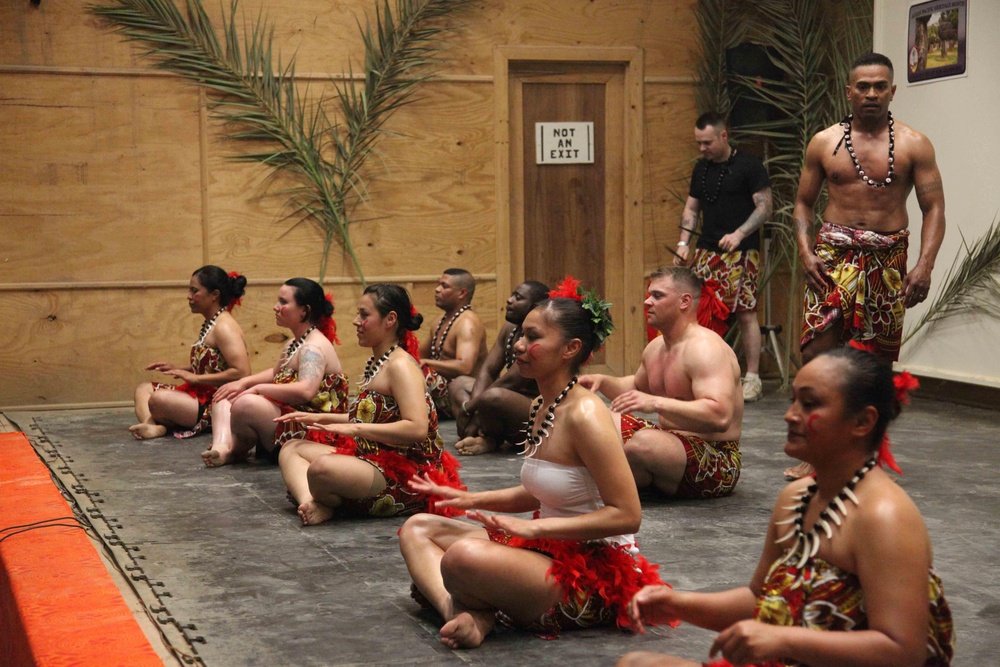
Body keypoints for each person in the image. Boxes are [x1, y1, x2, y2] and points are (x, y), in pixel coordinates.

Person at [617, 347, 954, 667]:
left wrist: (784, 640)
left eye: (809, 404)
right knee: (635, 662)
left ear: (863, 422)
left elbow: (903, 651)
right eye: (794, 401)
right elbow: (759, 598)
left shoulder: (885, 517)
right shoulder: (796, 498)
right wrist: (679, 603)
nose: (790, 415)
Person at [398, 279, 665, 649]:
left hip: (589, 570)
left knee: (461, 558)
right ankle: (466, 616)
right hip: (545, 549)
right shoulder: (543, 405)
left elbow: (627, 515)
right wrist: (469, 501)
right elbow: (540, 489)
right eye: (521, 335)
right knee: (418, 528)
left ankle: (476, 613)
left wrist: (534, 532)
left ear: (571, 349)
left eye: (533, 337)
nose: (519, 346)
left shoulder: (587, 415)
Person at [790, 51, 946, 479]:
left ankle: (866, 453)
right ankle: (817, 449)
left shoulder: (915, 144)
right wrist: (806, 252)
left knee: (876, 364)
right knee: (816, 352)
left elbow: (934, 208)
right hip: (833, 257)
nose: (872, 93)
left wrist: (925, 266)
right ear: (849, 91)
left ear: (893, 91)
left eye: (880, 86)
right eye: (864, 86)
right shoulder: (825, 142)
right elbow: (802, 203)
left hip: (888, 260)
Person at [276, 283, 464, 526]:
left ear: (390, 319)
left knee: (321, 469)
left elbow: (416, 429)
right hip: (370, 457)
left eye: (364, 315)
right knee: (291, 448)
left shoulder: (400, 366)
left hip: (404, 474)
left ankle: (325, 501)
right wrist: (321, 419)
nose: (355, 321)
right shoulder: (378, 361)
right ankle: (311, 502)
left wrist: (354, 429)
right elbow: (374, 419)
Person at [580, 267, 743, 499]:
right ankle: (627, 476)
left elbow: (720, 415)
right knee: (595, 419)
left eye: (657, 296)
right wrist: (602, 381)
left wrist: (656, 403)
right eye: (649, 295)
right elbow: (637, 389)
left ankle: (604, 481)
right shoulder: (656, 347)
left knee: (642, 445)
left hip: (716, 458)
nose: (647, 302)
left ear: (684, 301)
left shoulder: (706, 349)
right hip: (669, 443)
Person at [674, 112, 773, 403]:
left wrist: (739, 233)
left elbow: (765, 207)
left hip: (741, 252)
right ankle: (703, 374)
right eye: (698, 143)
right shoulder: (700, 169)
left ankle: (752, 378)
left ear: (723, 136)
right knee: (699, 313)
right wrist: (683, 242)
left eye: (706, 143)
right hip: (707, 249)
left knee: (745, 312)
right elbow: (691, 210)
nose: (702, 149)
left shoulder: (750, 166)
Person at [201, 278, 347, 467]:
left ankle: (235, 451)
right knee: (226, 394)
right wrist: (243, 383)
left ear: (305, 311)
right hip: (290, 418)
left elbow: (306, 390)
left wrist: (258, 389)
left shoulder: (313, 347)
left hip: (313, 430)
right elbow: (276, 372)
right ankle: (221, 448)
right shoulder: (294, 343)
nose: (275, 307)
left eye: (284, 302)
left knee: (246, 403)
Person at [130, 266, 251, 440]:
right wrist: (178, 369)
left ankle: (159, 422)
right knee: (143, 390)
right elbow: (213, 365)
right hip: (199, 395)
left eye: (194, 291)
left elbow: (242, 372)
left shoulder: (224, 327)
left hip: (218, 403)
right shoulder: (212, 322)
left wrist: (196, 378)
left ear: (214, 295)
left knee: (159, 399)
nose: (189, 296)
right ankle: (152, 426)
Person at [449, 280, 550, 456]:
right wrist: (475, 408)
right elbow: (488, 369)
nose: (509, 300)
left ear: (534, 307)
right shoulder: (510, 329)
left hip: (536, 408)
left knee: (493, 396)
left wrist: (469, 409)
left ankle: (489, 438)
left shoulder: (541, 337)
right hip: (506, 400)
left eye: (518, 298)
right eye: (512, 295)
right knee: (459, 384)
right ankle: (486, 436)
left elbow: (510, 382)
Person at [420, 269, 488, 419]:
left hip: (464, 393)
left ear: (462, 293)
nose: (437, 290)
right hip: (443, 392)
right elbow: (419, 355)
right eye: (438, 285)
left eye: (444, 286)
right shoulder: (440, 321)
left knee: (424, 376)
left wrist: (426, 363)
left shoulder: (467, 323)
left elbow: (465, 367)